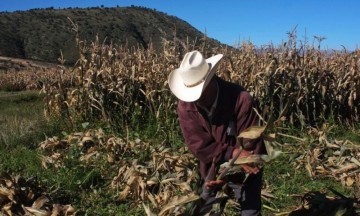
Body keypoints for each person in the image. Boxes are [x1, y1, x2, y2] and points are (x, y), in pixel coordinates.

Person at [168, 50, 266, 215]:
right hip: (211, 168)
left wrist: (231, 169)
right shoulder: (186, 106)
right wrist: (224, 167)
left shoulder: (241, 99)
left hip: (245, 169)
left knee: (250, 211)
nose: (195, 99)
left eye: (200, 92)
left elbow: (249, 145)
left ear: (211, 80)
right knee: (208, 209)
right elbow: (199, 146)